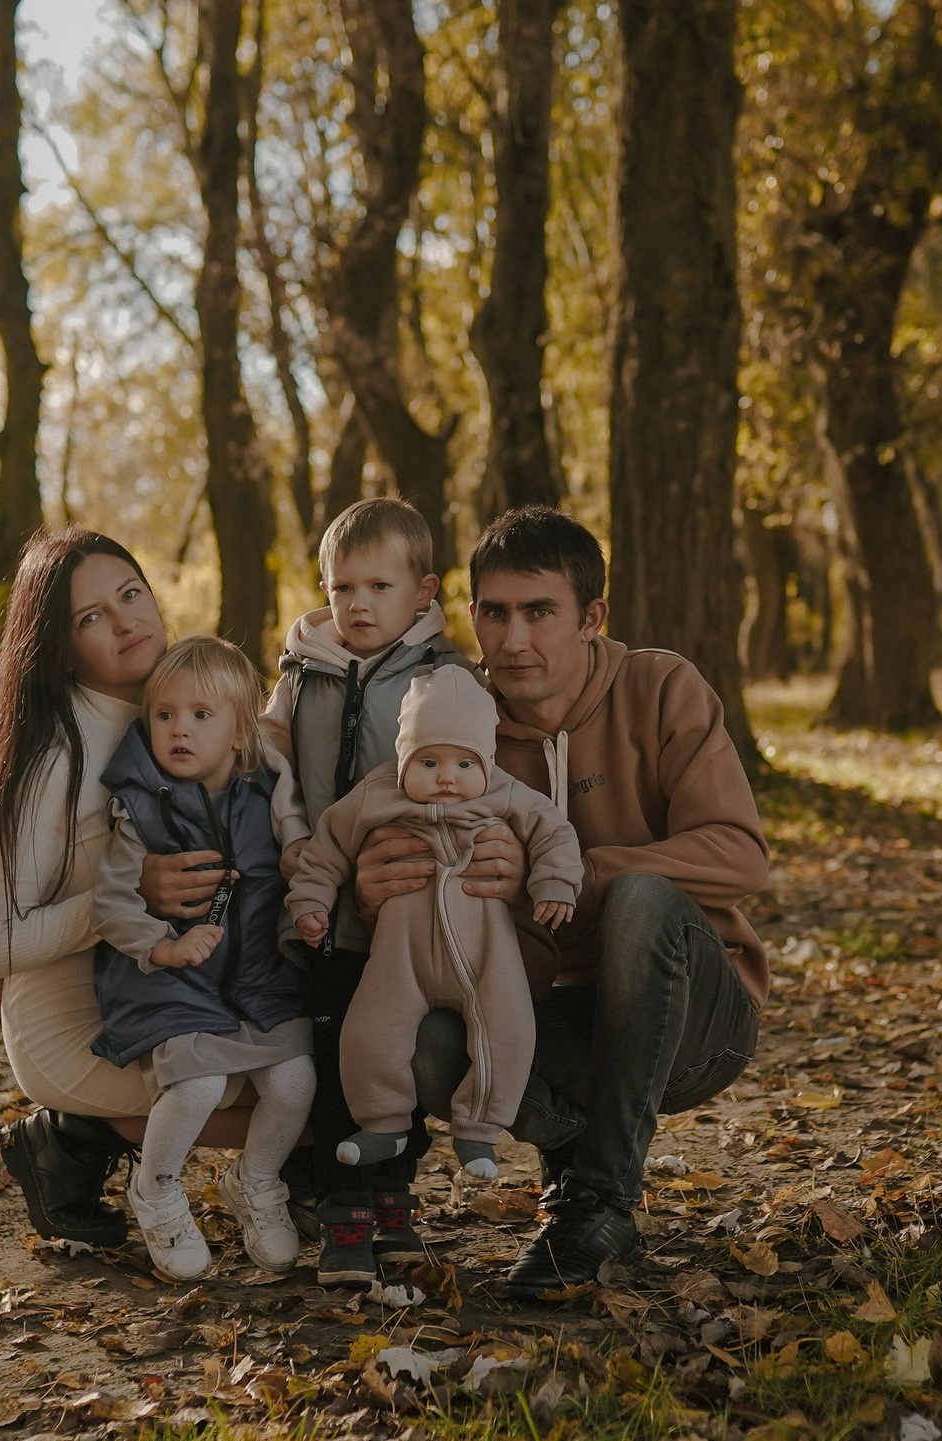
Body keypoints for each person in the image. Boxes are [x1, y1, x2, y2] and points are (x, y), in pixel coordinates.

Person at [352, 507, 770, 1298]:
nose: (513, 640)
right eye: (495, 612)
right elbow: (411, 880)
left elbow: (741, 855)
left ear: (591, 618)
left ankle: (601, 1200)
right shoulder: (452, 724)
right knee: (430, 1044)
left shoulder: (660, 686)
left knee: (642, 899)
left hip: (692, 1020)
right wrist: (377, 888)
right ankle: (576, 1160)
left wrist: (572, 872)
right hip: (545, 1020)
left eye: (540, 611)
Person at [0, 530, 262, 1248]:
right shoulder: (52, 760)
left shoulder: (186, 705)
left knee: (303, 1067)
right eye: (91, 616)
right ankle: (72, 1137)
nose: (128, 620)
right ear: (60, 648)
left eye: (131, 594)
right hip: (71, 1019)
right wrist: (120, 896)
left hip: (172, 986)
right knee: (273, 1097)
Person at [258, 498, 485, 1284]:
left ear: (422, 593)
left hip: (408, 909)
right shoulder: (300, 673)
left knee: (394, 1056)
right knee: (330, 1051)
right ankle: (338, 1210)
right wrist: (295, 852)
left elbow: (473, 781)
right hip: (320, 902)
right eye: (341, 586)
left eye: (378, 587)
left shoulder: (443, 678)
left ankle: (394, 1199)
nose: (356, 604)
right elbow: (276, 770)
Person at [287, 667, 580, 1184]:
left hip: (488, 954)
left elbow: (554, 833)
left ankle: (479, 1127)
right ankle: (384, 1123)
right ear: (403, 760)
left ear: (485, 762)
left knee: (507, 1031)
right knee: (368, 1033)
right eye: (428, 761)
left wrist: (555, 883)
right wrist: (311, 900)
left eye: (465, 762)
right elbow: (325, 849)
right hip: (401, 958)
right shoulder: (376, 795)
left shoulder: (506, 793)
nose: (447, 776)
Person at [87, 636, 314, 1277]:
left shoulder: (267, 792)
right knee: (201, 1084)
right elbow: (111, 904)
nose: (178, 729)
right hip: (170, 979)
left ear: (241, 734)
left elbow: (296, 847)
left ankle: (255, 1180)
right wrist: (162, 946)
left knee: (297, 1081)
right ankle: (155, 1189)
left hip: (257, 975)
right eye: (164, 715)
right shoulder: (141, 807)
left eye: (200, 715)